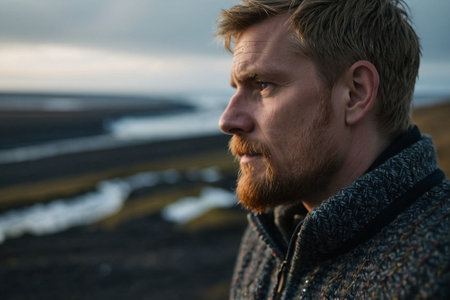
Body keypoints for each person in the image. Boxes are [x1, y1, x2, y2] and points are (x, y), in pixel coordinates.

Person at [215, 0, 449, 299]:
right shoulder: (267, 235)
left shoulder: (437, 263)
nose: (228, 120)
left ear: (355, 93)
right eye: (235, 89)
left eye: (262, 85)